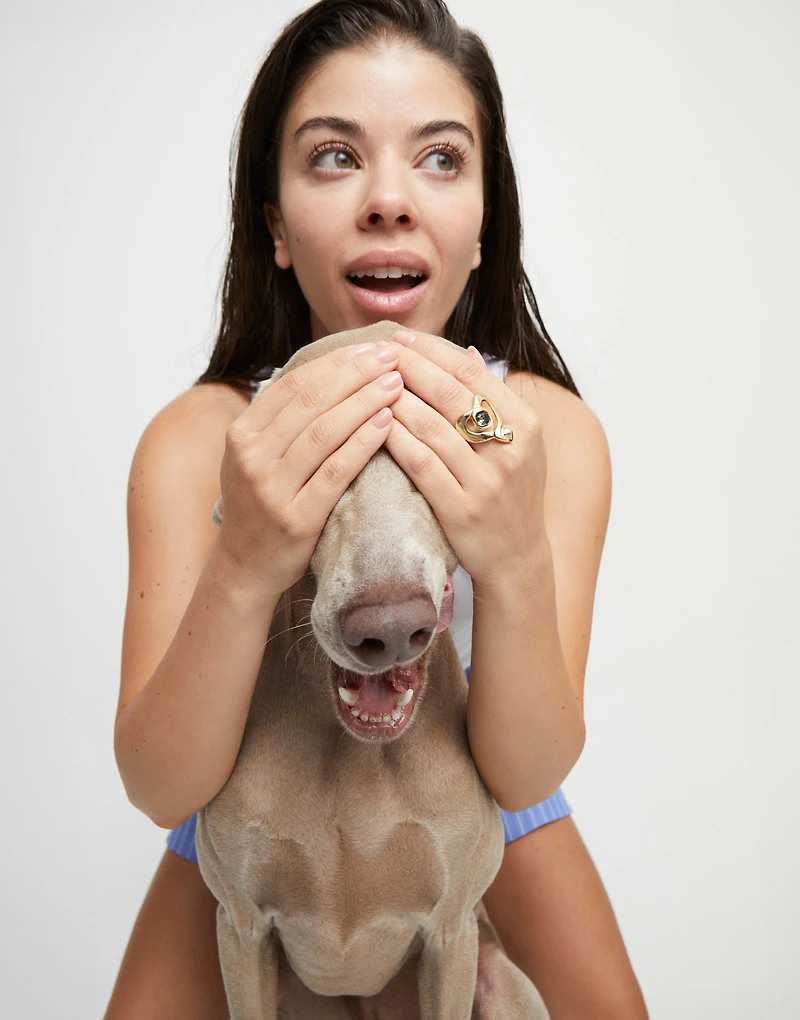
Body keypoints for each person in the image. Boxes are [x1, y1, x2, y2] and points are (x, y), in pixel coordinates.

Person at [106, 1, 649, 1017]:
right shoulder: (204, 438)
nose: (389, 201)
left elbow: (525, 766)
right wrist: (244, 562)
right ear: (271, 223)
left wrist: (514, 561)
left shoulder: (534, 428)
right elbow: (161, 788)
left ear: (486, 220)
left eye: (439, 160)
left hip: (476, 796)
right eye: (332, 158)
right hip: (248, 800)